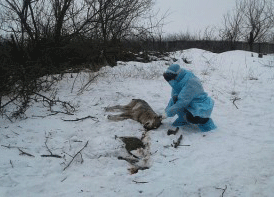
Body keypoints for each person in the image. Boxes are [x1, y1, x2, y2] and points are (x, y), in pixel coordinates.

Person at [162, 64, 216, 132]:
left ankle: (206, 122)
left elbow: (182, 102)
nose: (170, 81)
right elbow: (174, 97)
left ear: (176, 75)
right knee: (176, 100)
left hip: (199, 103)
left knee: (192, 117)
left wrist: (168, 113)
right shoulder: (177, 79)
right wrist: (165, 111)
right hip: (188, 101)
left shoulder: (190, 81)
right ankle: (183, 119)